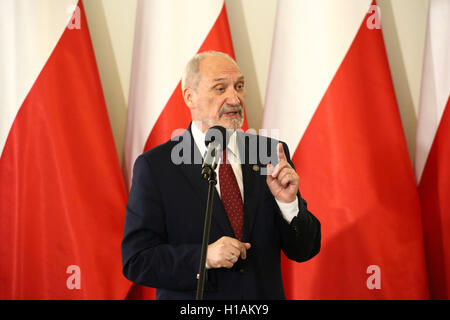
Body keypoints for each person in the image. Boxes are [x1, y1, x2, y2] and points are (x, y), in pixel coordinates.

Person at [121, 51, 321, 299]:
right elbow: (137, 260)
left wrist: (288, 205)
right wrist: (203, 257)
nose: (234, 98)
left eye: (239, 86)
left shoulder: (270, 153)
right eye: (220, 89)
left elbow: (304, 250)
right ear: (189, 97)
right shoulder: (156, 167)